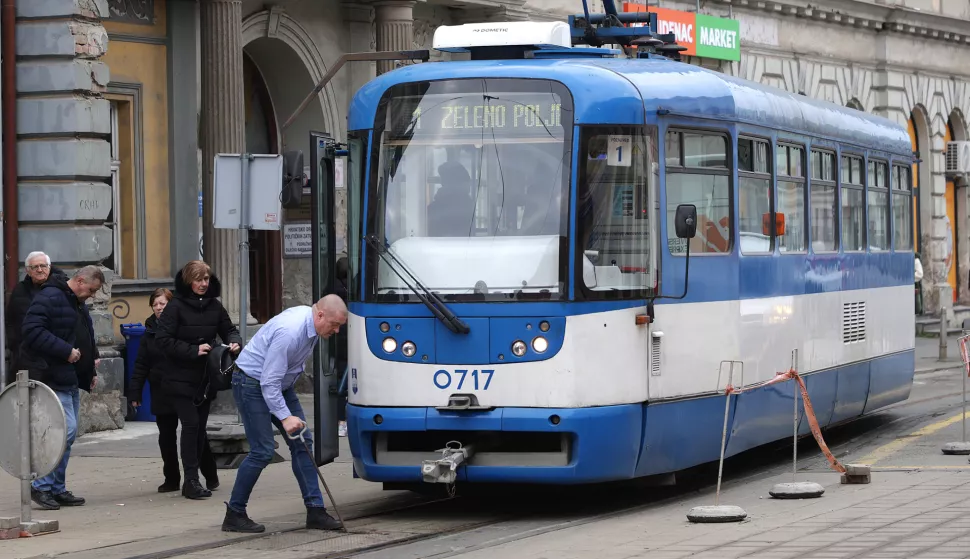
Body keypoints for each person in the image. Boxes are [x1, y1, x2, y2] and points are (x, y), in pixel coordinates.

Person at [222, 294, 349, 533]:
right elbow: (268, 382)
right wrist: (284, 416)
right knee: (263, 450)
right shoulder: (290, 333)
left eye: (340, 326)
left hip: (280, 384)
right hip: (252, 383)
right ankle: (234, 514)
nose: (337, 331)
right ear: (320, 315)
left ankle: (315, 511)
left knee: (303, 443)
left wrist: (287, 413)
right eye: (334, 325)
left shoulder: (312, 324)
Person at [155, 260, 241, 500]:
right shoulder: (175, 307)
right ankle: (191, 480)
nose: (203, 284)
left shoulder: (214, 305)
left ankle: (199, 477)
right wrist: (193, 350)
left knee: (199, 429)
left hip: (206, 378)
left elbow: (229, 329)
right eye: (198, 279)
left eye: (206, 279)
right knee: (191, 425)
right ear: (188, 281)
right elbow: (163, 340)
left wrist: (235, 342)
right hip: (179, 378)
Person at [21, 265, 103, 510]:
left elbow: (85, 334)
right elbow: (32, 331)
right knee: (62, 432)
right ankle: (41, 486)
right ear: (80, 281)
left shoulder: (76, 301)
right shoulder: (50, 296)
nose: (92, 295)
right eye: (91, 290)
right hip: (52, 375)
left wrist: (90, 367)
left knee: (68, 434)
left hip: (71, 376)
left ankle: (56, 488)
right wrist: (65, 351)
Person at [128, 288, 220, 493]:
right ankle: (171, 478)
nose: (159, 308)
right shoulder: (149, 332)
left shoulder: (183, 327)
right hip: (162, 388)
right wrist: (135, 392)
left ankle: (208, 474)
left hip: (186, 386)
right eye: (155, 304)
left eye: (163, 304)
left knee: (195, 430)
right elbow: (141, 363)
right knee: (166, 436)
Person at [5, 252, 67, 385]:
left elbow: (79, 320)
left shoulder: (63, 288)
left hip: (58, 355)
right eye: (35, 267)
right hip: (27, 357)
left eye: (43, 266)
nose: (39, 270)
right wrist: (15, 347)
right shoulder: (20, 290)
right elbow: (12, 321)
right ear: (28, 271)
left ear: (49, 267)